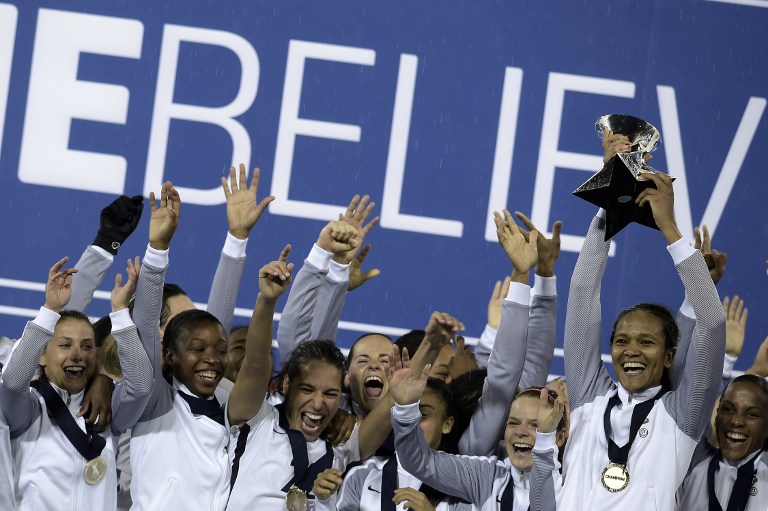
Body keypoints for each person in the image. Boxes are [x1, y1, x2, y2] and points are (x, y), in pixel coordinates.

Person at [226, 245, 460, 509]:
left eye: (330, 393)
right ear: (288, 384)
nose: (318, 403)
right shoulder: (256, 419)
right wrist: (266, 301)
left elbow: (397, 395)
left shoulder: (343, 444)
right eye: (308, 389)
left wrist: (431, 344)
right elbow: (257, 363)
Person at [557, 169, 726, 510]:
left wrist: (670, 229)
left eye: (647, 342)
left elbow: (712, 320)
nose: (630, 350)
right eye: (621, 341)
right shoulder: (590, 398)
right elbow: (582, 292)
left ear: (669, 355)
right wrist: (611, 196)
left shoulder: (682, 415)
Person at [0, 255, 152, 511]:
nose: (77, 355)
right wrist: (49, 311)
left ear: (97, 355)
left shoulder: (107, 412)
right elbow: (13, 383)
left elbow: (142, 386)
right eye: (64, 345)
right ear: (42, 357)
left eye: (87, 346)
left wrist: (121, 313)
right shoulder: (29, 410)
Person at [314, 377, 468, 511]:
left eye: (423, 414)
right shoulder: (362, 475)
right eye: (403, 413)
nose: (410, 421)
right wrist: (324, 501)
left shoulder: (464, 487)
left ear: (447, 424)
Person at [676, 374, 768, 510]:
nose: (736, 421)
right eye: (728, 409)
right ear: (716, 417)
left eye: (751, 414)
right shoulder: (692, 461)